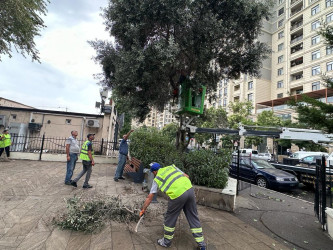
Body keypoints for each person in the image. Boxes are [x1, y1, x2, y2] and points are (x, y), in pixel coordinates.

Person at [140, 163, 206, 250]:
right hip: (189, 189)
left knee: (170, 218)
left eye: (153, 173)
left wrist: (143, 209)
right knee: (193, 216)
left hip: (177, 195)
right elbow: (187, 176)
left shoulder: (157, 178)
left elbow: (149, 197)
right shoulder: (171, 167)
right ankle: (202, 244)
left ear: (155, 172)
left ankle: (166, 242)